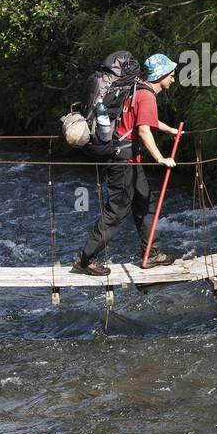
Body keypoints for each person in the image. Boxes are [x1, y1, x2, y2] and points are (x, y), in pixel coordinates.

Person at [72, 53, 181, 276]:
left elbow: (144, 119)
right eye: (171, 74)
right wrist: (161, 158)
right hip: (123, 162)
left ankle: (152, 252)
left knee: (143, 201)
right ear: (161, 75)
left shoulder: (136, 89)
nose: (173, 79)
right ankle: (85, 259)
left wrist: (168, 129)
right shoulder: (146, 95)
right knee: (116, 212)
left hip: (127, 159)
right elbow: (143, 130)